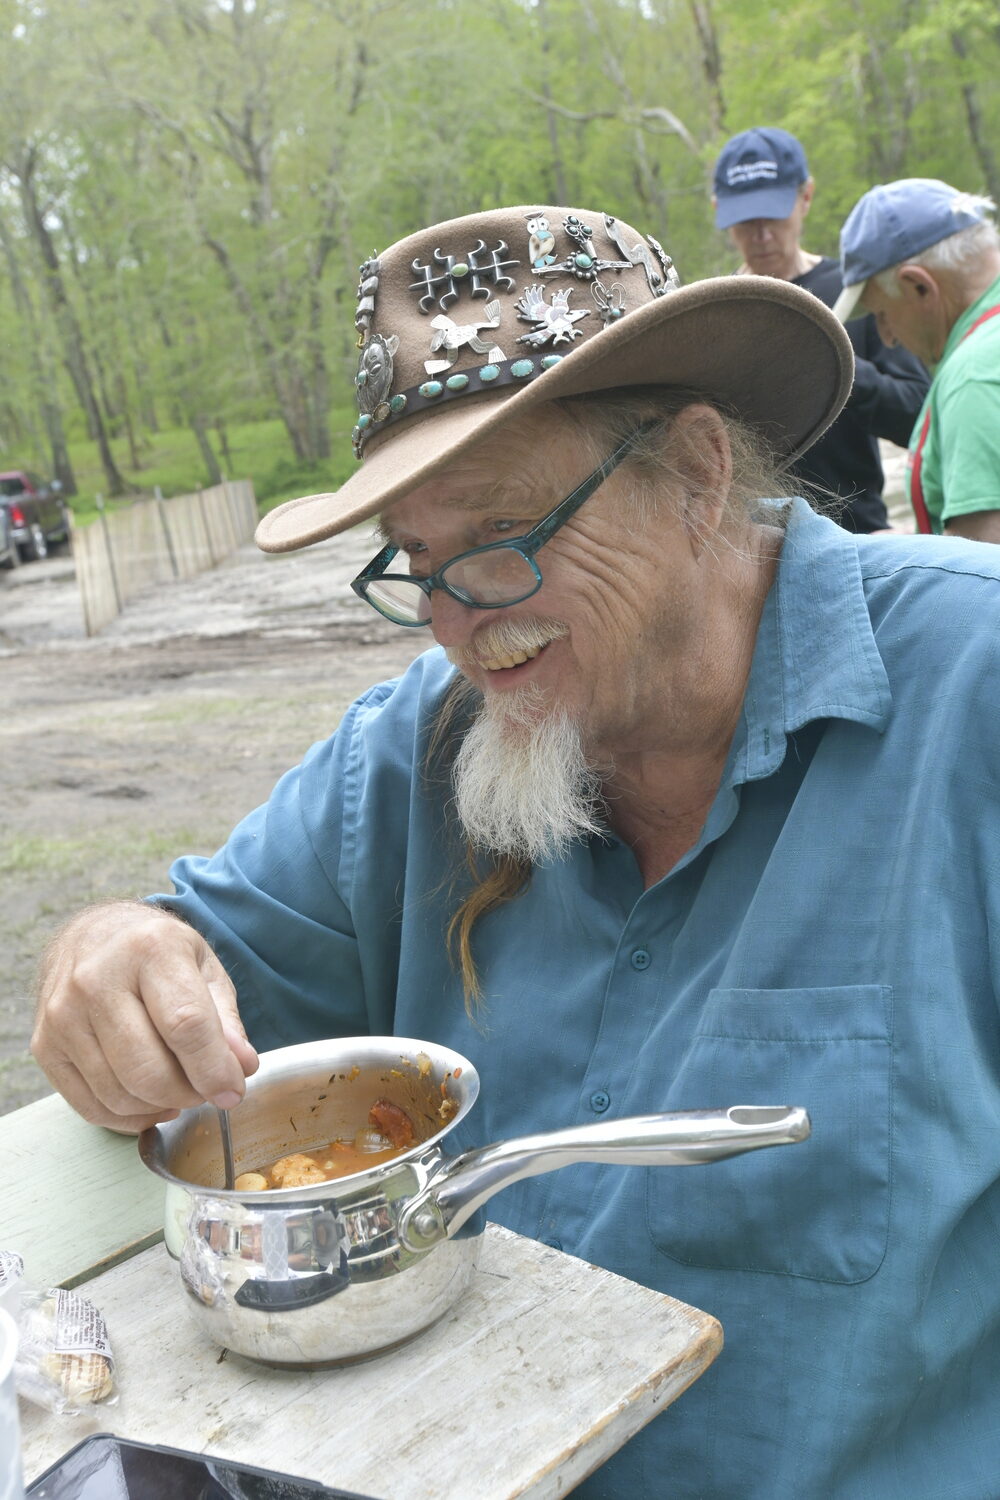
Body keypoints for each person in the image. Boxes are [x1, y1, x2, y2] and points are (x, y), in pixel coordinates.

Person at [32, 204, 1000, 1498]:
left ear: (699, 474)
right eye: (419, 562)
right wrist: (111, 952)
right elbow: (183, 954)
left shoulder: (969, 698)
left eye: (501, 539)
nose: (455, 625)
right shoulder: (416, 756)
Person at [713, 126, 929, 532]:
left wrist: (834, 361)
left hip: (857, 541)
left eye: (773, 214)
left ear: (805, 197)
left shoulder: (857, 295)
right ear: (719, 212)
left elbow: (917, 418)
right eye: (745, 220)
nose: (761, 235)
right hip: (748, 553)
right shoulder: (714, 310)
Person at [834, 177, 1000, 539]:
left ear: (919, 286)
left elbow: (984, 578)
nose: (888, 336)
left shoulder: (972, 380)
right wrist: (914, 547)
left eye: (881, 313)